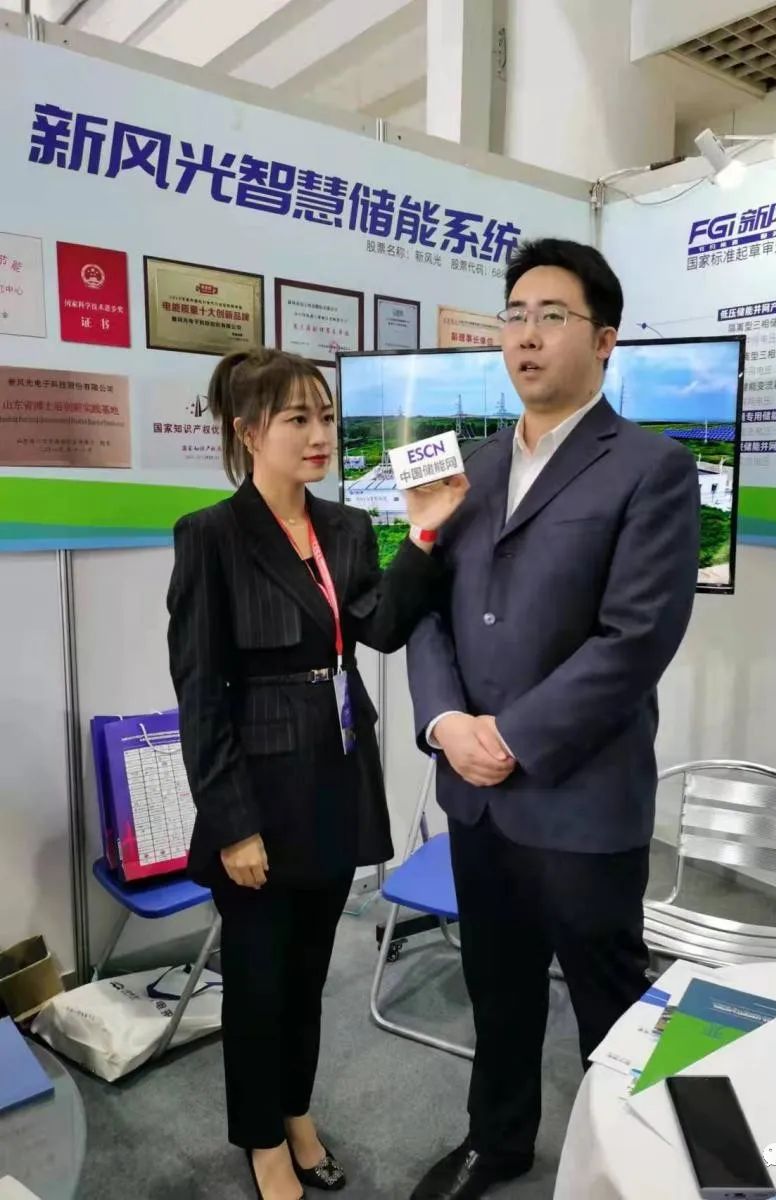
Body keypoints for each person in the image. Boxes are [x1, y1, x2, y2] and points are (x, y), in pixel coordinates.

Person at [405, 238, 700, 1199]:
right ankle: (497, 1142)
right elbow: (425, 609)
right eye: (514, 316)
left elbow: (635, 637)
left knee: (613, 1004)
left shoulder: (652, 468)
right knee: (497, 988)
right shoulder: (468, 468)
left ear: (604, 340)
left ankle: (636, 1170)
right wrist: (447, 722)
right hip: (476, 796)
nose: (526, 336)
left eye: (552, 317)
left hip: (581, 798)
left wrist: (513, 736)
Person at [166, 347, 468, 1200]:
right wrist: (233, 824)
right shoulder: (211, 535)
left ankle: (295, 1111)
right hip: (257, 797)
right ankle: (262, 1140)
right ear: (248, 432)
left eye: (326, 417)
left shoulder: (346, 528)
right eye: (297, 419)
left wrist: (423, 533)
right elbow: (200, 693)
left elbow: (380, 628)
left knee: (307, 976)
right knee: (257, 983)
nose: (319, 434)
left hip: (336, 778)